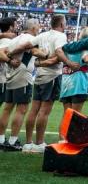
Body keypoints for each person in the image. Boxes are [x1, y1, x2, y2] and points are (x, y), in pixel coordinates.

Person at [13, 15, 68, 153]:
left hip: (39, 76)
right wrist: (70, 63)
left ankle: (28, 142)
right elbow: (58, 53)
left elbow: (26, 46)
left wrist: (11, 53)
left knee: (34, 110)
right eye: (65, 23)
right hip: (52, 76)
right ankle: (39, 143)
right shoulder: (61, 36)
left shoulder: (43, 35)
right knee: (44, 111)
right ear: (61, 24)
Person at [0, 19, 39, 151]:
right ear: (33, 28)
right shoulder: (31, 38)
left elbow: (2, 52)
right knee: (21, 110)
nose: (39, 28)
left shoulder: (14, 39)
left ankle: (1, 139)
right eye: (38, 26)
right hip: (23, 76)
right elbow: (27, 48)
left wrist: (9, 59)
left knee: (7, 108)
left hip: (10, 76)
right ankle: (13, 140)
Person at [56, 27, 88, 117]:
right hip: (79, 84)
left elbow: (57, 55)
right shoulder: (86, 49)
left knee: (66, 116)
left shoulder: (69, 47)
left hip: (66, 84)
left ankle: (63, 132)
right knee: (75, 117)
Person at [0, 17, 18, 116]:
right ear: (11, 27)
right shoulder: (6, 40)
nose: (17, 26)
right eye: (15, 24)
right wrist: (10, 61)